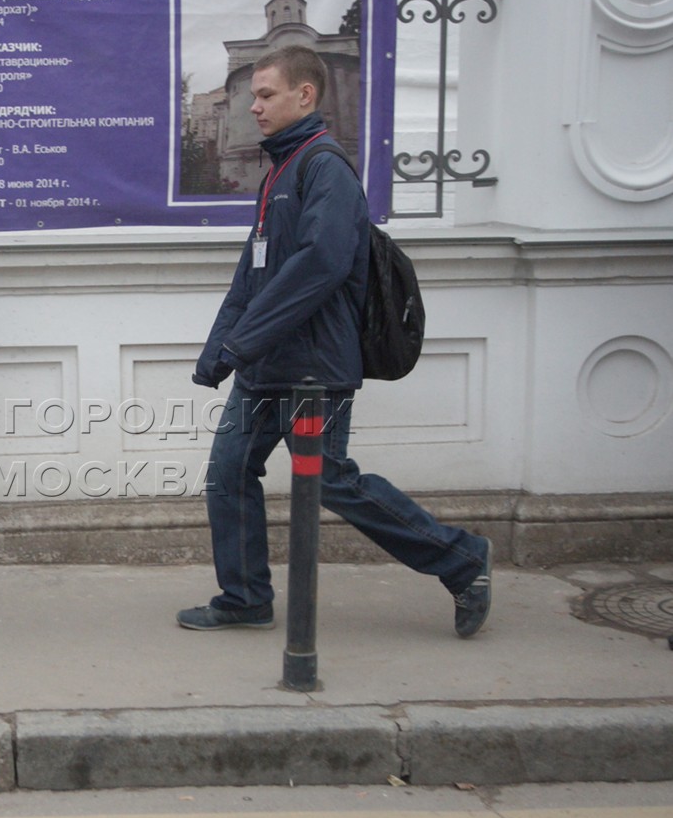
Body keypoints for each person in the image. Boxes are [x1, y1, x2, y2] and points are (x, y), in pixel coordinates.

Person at [183, 45, 491, 637]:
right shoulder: (279, 170)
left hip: (314, 368)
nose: (255, 106)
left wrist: (240, 344)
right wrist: (218, 350)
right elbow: (254, 272)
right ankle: (245, 597)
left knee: (329, 478)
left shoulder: (326, 167)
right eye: (253, 96)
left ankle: (463, 559)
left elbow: (319, 266)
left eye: (267, 94)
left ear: (306, 95)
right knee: (228, 472)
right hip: (268, 362)